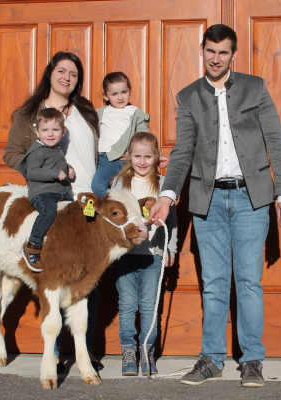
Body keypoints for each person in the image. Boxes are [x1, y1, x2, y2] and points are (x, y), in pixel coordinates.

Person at [148, 24, 281, 388]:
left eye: (223, 52)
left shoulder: (255, 88)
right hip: (207, 201)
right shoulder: (188, 96)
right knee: (213, 283)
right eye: (210, 51)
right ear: (203, 51)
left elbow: (275, 140)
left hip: (250, 197)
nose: (216, 59)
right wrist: (167, 197)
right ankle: (211, 359)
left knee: (248, 282)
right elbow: (182, 153)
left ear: (233, 54)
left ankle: (252, 361)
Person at [3, 51, 101, 370]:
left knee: (89, 271)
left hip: (88, 198)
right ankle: (54, 349)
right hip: (57, 200)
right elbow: (12, 154)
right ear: (50, 73)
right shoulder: (30, 113)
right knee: (57, 272)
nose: (67, 78)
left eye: (73, 74)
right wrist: (38, 177)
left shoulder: (86, 111)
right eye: (62, 71)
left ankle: (85, 349)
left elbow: (99, 149)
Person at [111, 132, 177, 376]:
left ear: (156, 157)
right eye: (137, 156)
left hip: (153, 255)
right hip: (125, 255)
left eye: (148, 156)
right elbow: (111, 215)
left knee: (149, 306)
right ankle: (128, 351)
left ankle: (147, 351)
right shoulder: (119, 182)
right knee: (127, 304)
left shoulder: (162, 185)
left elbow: (173, 220)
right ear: (128, 156)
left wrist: (170, 249)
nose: (141, 161)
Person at [16, 108, 75, 272]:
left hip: (59, 193)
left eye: (55, 130)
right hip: (42, 193)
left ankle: (65, 247)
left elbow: (57, 165)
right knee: (48, 211)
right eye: (45, 130)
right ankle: (33, 246)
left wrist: (69, 169)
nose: (50, 134)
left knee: (75, 212)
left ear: (62, 132)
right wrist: (55, 173)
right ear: (37, 132)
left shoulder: (56, 149)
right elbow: (33, 172)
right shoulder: (37, 151)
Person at [92, 71, 168, 198]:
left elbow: (144, 134)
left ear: (129, 91)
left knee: (130, 188)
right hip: (105, 160)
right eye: (114, 94)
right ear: (106, 96)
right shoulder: (100, 113)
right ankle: (114, 207)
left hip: (126, 161)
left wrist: (157, 156)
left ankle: (126, 208)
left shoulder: (135, 113)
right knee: (97, 186)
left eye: (124, 92)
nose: (120, 97)